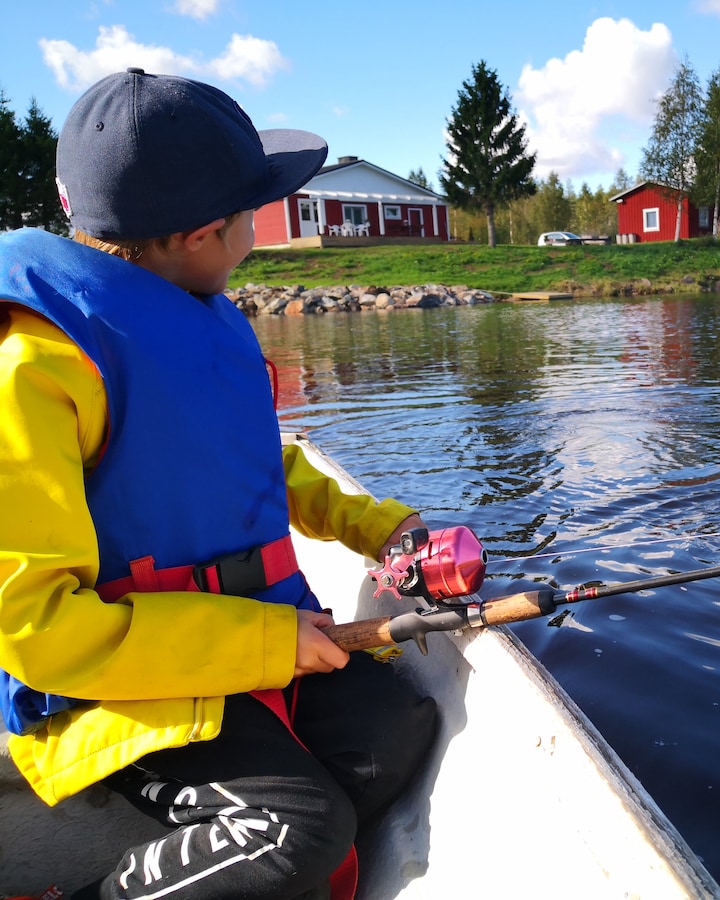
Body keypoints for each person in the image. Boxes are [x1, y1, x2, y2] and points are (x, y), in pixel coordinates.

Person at [0, 69, 437, 898]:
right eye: (254, 213)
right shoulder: (37, 370)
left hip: (239, 649)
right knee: (296, 829)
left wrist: (386, 530)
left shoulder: (192, 318)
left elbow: (254, 466)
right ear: (206, 233)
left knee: (396, 729)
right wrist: (263, 646)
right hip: (117, 691)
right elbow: (36, 631)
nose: (257, 230)